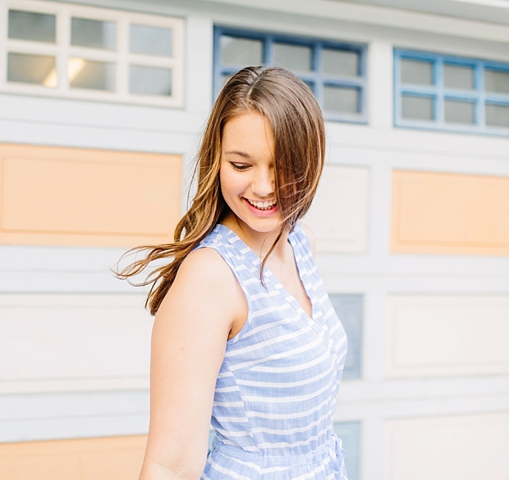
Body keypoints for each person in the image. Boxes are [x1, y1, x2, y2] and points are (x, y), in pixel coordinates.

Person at [117, 66, 348, 479]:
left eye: (282, 166)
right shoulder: (211, 277)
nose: (262, 186)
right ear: (216, 161)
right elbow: (169, 465)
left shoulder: (301, 244)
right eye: (241, 166)